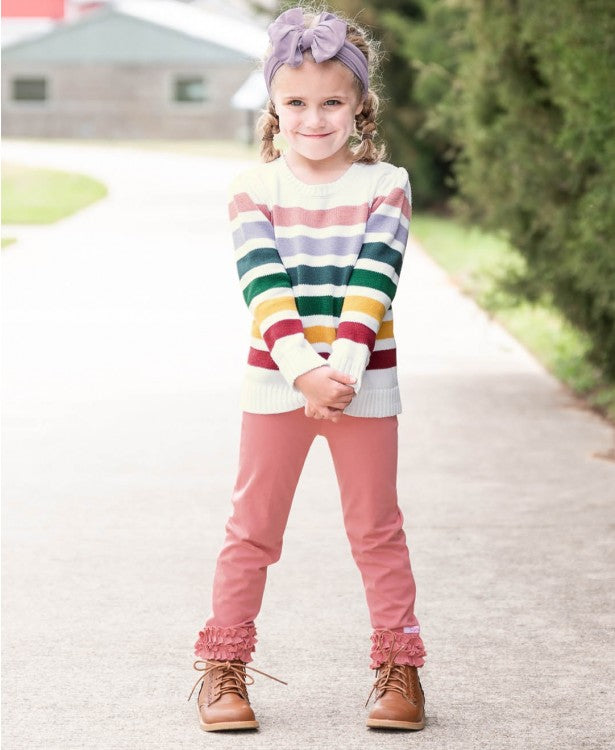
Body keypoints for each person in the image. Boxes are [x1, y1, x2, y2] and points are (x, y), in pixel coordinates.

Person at [187, 4, 427, 733]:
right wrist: (303, 373)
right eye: (296, 102)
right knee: (251, 529)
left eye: (332, 102)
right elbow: (264, 287)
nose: (314, 118)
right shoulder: (250, 187)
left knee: (376, 529)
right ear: (273, 106)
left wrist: (341, 373)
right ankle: (223, 670)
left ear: (359, 105)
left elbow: (372, 279)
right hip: (276, 383)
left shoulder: (385, 183)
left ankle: (400, 671)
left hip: (362, 383)